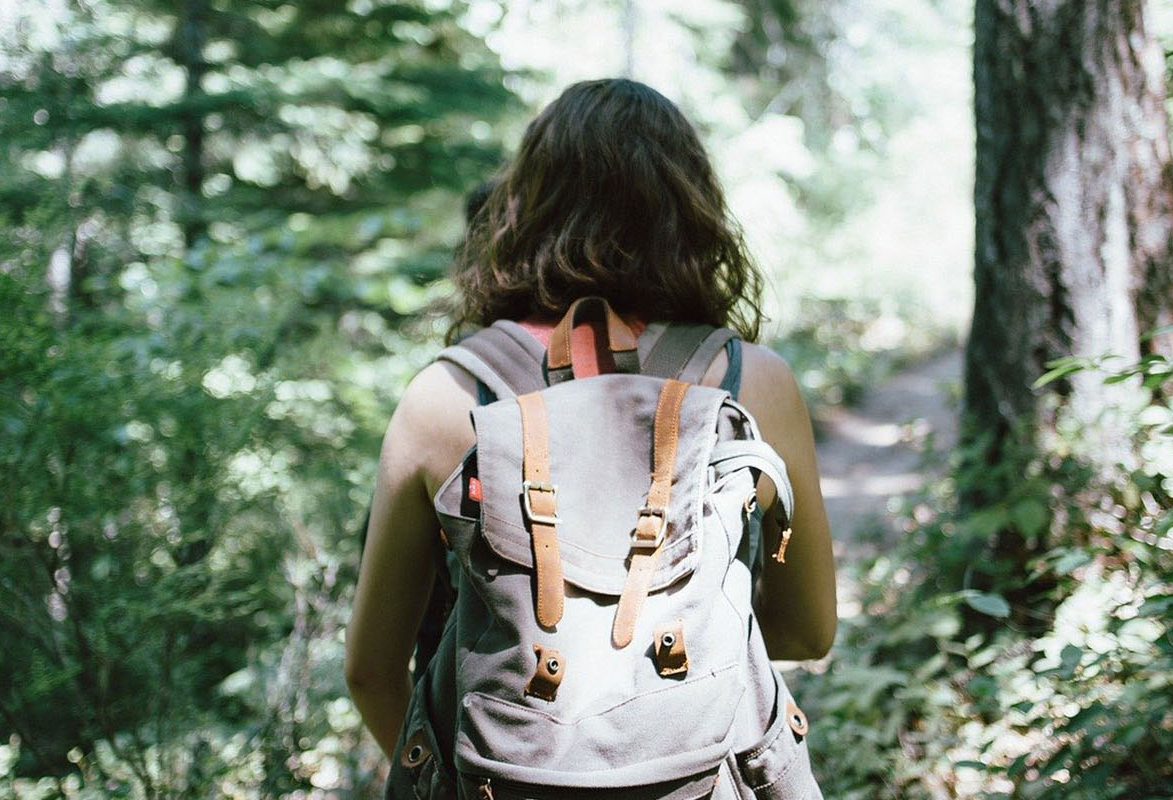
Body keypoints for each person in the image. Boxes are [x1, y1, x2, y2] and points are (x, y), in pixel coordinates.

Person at [345, 78, 837, 774]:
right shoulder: (752, 383)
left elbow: (370, 670)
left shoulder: (446, 395)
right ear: (690, 211)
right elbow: (807, 629)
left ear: (525, 206)